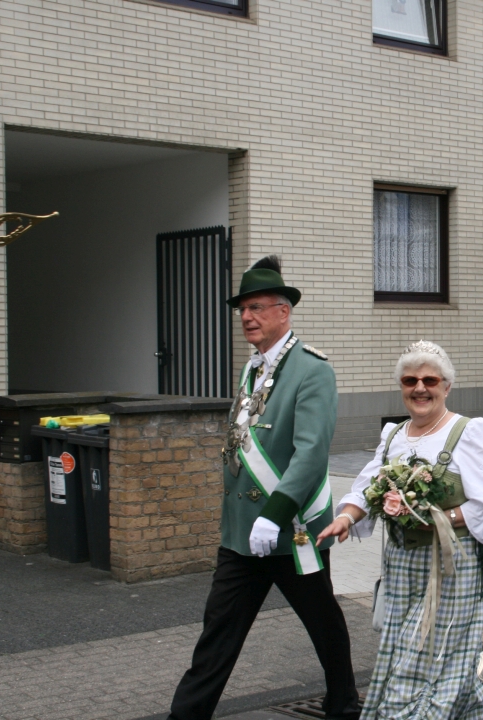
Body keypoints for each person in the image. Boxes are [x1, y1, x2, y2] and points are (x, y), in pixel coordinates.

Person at [168, 256, 360, 720]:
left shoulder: (312, 370)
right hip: (242, 534)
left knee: (323, 625)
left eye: (256, 308)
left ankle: (343, 705)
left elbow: (310, 454)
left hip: (290, 530)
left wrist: (272, 516)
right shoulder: (251, 369)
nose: (247, 317)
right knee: (218, 631)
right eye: (242, 310)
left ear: (283, 311)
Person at [317, 340, 483, 719]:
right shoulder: (393, 436)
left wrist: (435, 517)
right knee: (412, 653)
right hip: (401, 567)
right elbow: (367, 488)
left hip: (452, 569)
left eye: (429, 380)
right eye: (410, 381)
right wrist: (346, 518)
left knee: (438, 657)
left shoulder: (470, 431)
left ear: (446, 386)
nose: (420, 388)